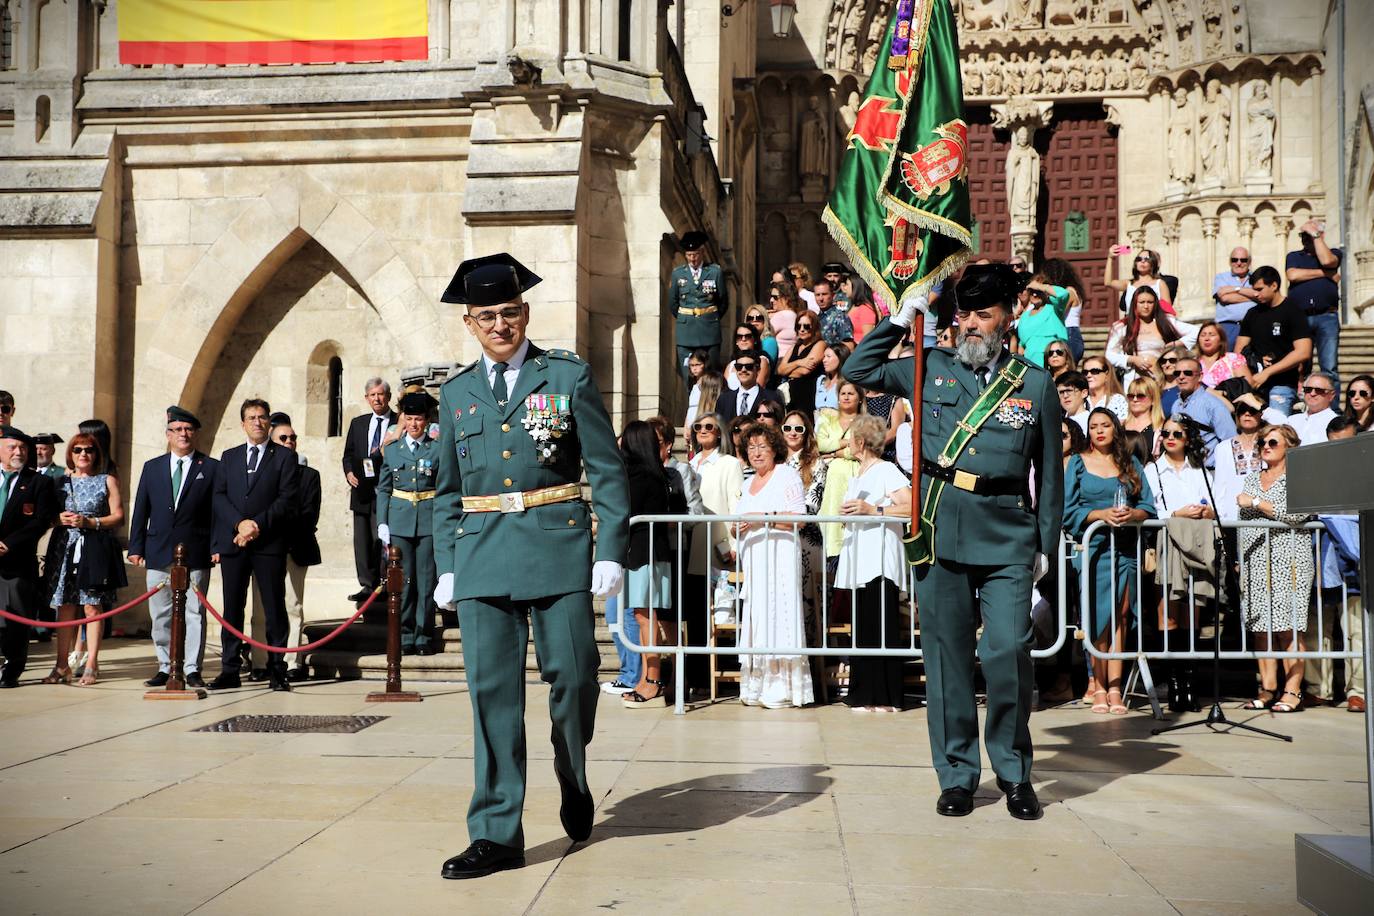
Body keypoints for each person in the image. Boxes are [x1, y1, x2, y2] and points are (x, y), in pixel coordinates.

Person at [431, 252, 628, 880]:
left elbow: (605, 468)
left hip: (556, 548)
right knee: (492, 699)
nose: (499, 325)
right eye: (486, 316)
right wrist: (447, 563)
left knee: (573, 678)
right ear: (470, 324)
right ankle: (496, 833)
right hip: (483, 553)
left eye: (509, 312)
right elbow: (445, 490)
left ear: (525, 314)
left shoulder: (565, 377)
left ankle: (572, 770)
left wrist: (612, 549)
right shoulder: (457, 393)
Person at [847, 263, 1063, 821]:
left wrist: (1045, 543)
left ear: (1006, 318)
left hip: (1009, 532)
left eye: (982, 315)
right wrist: (900, 318)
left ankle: (1013, 771)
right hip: (942, 528)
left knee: (1008, 650)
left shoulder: (1034, 384)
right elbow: (860, 368)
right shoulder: (928, 367)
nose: (969, 325)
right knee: (945, 658)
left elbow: (1051, 475)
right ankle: (957, 774)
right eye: (963, 314)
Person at [1064, 408, 1156, 717]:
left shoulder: (1129, 463)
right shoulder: (1077, 463)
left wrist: (1134, 515)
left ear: (1115, 429)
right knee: (1096, 619)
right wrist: (1100, 515)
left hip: (1125, 550)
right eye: (1093, 426)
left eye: (1105, 425)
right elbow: (1068, 510)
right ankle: (1098, 686)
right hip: (1092, 551)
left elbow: (1148, 505)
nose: (1099, 430)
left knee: (1120, 618)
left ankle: (1115, 687)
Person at [209, 398, 301, 692]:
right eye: (252, 417)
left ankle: (277, 668)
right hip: (234, 543)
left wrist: (256, 525)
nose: (257, 422)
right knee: (232, 608)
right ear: (243, 423)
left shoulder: (284, 458)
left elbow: (286, 500)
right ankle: (230, 669)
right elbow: (219, 497)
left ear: (269, 422)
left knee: (274, 608)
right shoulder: (229, 457)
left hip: (268, 543)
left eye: (262, 417)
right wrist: (239, 525)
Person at [127, 407, 219, 690]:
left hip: (196, 550)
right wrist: (136, 545)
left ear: (195, 434)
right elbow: (141, 508)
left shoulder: (211, 467)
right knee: (161, 613)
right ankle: (165, 666)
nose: (183, 434)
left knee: (194, 613)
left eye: (188, 429)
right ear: (168, 435)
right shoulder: (152, 467)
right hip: (158, 550)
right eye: (177, 429)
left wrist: (216, 546)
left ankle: (191, 668)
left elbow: (218, 511)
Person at [733, 423, 813, 709]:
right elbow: (741, 521)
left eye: (762, 447)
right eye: (751, 447)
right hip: (755, 558)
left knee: (780, 614)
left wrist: (762, 518)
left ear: (774, 449)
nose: (756, 453)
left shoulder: (786, 475)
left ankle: (782, 685)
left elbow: (799, 519)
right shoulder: (746, 483)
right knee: (759, 617)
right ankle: (757, 682)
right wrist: (738, 527)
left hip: (780, 555)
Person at [835, 414, 912, 713]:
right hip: (859, 559)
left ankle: (886, 696)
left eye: (850, 437)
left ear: (861, 442)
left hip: (880, 559)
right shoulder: (858, 474)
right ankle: (864, 694)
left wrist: (873, 509)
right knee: (864, 627)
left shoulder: (886, 470)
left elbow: (908, 506)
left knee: (882, 626)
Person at [1237, 424, 1313, 713]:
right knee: (1262, 628)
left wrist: (1257, 502)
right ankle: (1267, 688)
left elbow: (1297, 513)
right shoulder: (1253, 479)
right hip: (1256, 559)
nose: (1265, 447)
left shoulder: (1299, 478)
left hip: (1290, 559)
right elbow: (1243, 517)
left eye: (1272, 442)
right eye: (1261, 443)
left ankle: (1292, 690)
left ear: (1289, 448)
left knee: (1288, 628)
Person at [1143, 416, 1215, 711]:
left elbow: (1216, 504)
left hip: (1197, 544)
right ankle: (1174, 685)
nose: (1171, 437)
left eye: (1178, 433)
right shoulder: (1153, 469)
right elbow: (1151, 507)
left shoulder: (1200, 470)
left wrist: (1206, 512)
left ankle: (1190, 684)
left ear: (1188, 438)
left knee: (1192, 615)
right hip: (1168, 542)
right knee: (1168, 614)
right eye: (1167, 433)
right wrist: (1178, 512)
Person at [46, 433, 126, 687]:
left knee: (92, 606)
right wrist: (59, 520)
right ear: (70, 453)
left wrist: (92, 522)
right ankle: (62, 666)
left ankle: (91, 663)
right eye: (78, 449)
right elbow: (46, 516)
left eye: (89, 450)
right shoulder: (59, 482)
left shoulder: (107, 480)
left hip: (93, 546)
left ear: (96, 454)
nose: (83, 454)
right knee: (65, 606)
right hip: (64, 546)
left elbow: (119, 516)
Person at [247, 418, 320, 681]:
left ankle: (290, 661)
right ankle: (260, 662)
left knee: (292, 605)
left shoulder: (309, 476)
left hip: (294, 547)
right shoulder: (260, 471)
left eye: (293, 438)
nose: (290, 442)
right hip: (264, 548)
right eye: (283, 438)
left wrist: (273, 525)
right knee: (260, 609)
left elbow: (308, 514)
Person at [376, 391, 442, 657]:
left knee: (426, 582)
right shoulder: (392, 451)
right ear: (404, 420)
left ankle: (424, 634)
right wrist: (383, 521)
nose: (414, 424)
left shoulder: (436, 449)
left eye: (419, 419)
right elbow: (384, 489)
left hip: (428, 520)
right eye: (410, 419)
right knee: (404, 582)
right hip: (400, 521)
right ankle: (404, 634)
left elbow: (445, 486)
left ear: (426, 421)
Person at [618, 421, 679, 708]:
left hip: (647, 553)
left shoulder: (641, 476)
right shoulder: (651, 474)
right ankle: (647, 677)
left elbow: (625, 510)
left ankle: (652, 679)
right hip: (647, 551)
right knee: (643, 615)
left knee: (646, 616)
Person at [1307, 428, 1365, 712]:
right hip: (1323, 560)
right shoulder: (1317, 475)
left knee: (1357, 630)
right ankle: (1319, 689)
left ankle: (1359, 691)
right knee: (1319, 628)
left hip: (1358, 563)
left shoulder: (1367, 476)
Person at [687, 413, 744, 690]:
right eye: (698, 427)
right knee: (697, 615)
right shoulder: (691, 464)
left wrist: (734, 546)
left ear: (719, 432)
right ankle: (698, 677)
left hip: (717, 548)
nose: (703, 431)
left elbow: (736, 505)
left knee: (723, 612)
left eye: (709, 426)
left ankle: (726, 672)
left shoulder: (729, 464)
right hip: (691, 548)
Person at [0, 426, 57, 687]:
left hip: (17, 562)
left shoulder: (39, 482)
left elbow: (40, 521)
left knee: (17, 622)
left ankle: (12, 670)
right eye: (12, 447)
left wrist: (9, 544)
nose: (18, 452)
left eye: (23, 448)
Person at [342, 378, 396, 606]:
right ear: (366, 398)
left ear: (388, 397)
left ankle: (384, 583)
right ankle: (366, 584)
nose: (377, 398)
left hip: (387, 490)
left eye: (381, 394)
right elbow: (348, 454)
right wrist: (348, 472)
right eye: (372, 395)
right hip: (362, 491)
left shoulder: (397, 423)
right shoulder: (358, 423)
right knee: (362, 540)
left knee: (382, 539)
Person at [1235, 265, 1313, 415]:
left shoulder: (1293, 311)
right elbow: (1239, 351)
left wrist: (1268, 372)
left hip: (1282, 384)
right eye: (1254, 290)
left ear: (1274, 285)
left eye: (1260, 289)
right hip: (1253, 384)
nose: (1255, 294)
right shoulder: (1252, 314)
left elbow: (1303, 352)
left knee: (1276, 429)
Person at [1106, 286, 1198, 386]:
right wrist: (1132, 359)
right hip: (1135, 381)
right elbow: (1109, 355)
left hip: (1162, 380)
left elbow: (1197, 332)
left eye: (1150, 302)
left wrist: (1176, 344)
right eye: (1142, 302)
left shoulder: (1165, 322)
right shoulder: (1122, 327)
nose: (1146, 306)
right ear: (1135, 304)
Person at [669, 231, 728, 386]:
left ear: (702, 252)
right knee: (689, 377)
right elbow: (673, 303)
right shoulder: (678, 274)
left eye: (695, 254)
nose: (692, 259)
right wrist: (687, 318)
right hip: (686, 332)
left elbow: (723, 302)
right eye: (689, 255)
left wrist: (709, 317)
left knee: (711, 376)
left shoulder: (715, 271)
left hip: (709, 330)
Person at [1285, 220, 1342, 376]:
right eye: (1303, 235)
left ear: (1320, 235)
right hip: (1300, 317)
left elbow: (1327, 261)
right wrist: (1326, 274)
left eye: (1308, 235)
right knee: (1300, 365)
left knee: (1329, 367)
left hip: (1327, 316)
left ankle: (1331, 400)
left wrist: (1315, 235)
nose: (1305, 238)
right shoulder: (1294, 256)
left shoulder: (1335, 253)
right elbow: (1293, 275)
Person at [1169, 356, 1236, 465]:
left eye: (1188, 373)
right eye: (1177, 373)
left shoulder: (1213, 405)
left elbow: (1231, 443)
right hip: (1184, 470)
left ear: (1200, 377)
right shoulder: (1176, 405)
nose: (1181, 377)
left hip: (1210, 471)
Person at [1213, 393, 1267, 522]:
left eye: (1253, 410)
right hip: (1232, 517)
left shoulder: (1270, 444)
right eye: (1242, 410)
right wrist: (1220, 517)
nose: (1247, 414)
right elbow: (1220, 485)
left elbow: (1285, 425)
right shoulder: (1223, 447)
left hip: (1264, 515)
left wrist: (1259, 405)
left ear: (1261, 414)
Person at [1015, 274, 1073, 367]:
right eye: (1031, 291)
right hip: (1030, 364)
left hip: (1053, 362)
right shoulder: (1025, 316)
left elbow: (1063, 294)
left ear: (1046, 292)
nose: (1034, 294)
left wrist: (1040, 286)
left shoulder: (1054, 308)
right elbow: (1022, 345)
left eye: (1038, 291)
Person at [776, 312, 827, 414]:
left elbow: (804, 371)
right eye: (798, 326)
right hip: (791, 396)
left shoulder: (820, 344)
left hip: (808, 394)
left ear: (814, 328)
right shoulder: (794, 346)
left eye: (806, 326)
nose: (802, 329)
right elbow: (780, 370)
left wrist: (788, 369)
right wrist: (799, 362)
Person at [717, 352, 784, 425]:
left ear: (758, 369)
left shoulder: (772, 397)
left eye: (749, 366)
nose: (743, 370)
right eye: (739, 366)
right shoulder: (724, 399)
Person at [1041, 258, 1088, 361]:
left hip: (1069, 334)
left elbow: (1058, 311)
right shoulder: (1072, 290)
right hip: (1070, 334)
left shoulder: (1068, 292)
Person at [1212, 246, 1259, 346]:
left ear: (1249, 262)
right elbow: (1224, 297)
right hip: (1227, 327)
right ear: (1230, 262)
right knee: (1226, 359)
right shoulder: (1221, 277)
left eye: (1243, 260)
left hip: (1253, 326)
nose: (1238, 263)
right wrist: (1252, 297)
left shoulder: (1256, 278)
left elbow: (1260, 295)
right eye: (1234, 260)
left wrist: (1235, 289)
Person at [1105, 245, 1167, 314]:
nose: (1142, 261)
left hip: (1153, 323)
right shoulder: (1129, 283)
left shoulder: (1160, 284)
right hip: (1131, 323)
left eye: (1146, 259)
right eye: (1139, 259)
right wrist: (1110, 257)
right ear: (1135, 263)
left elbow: (1167, 311)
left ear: (1153, 263)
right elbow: (1108, 282)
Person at [1196, 320, 1252, 394]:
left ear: (1221, 340)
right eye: (1203, 335)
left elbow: (1247, 385)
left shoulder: (1233, 359)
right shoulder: (1193, 364)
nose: (1207, 338)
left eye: (1212, 335)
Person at [1288, 369, 1339, 446]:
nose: (1312, 393)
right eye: (1308, 389)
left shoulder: (1336, 423)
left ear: (1331, 395)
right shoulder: (1291, 420)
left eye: (1319, 390)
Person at [1123, 376, 1164, 455]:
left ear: (1153, 400)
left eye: (1140, 396)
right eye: (1131, 396)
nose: (1135, 400)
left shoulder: (1160, 429)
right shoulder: (1119, 427)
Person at [724, 325, 773, 391]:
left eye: (748, 336)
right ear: (736, 342)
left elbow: (759, 388)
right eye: (739, 337)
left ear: (755, 340)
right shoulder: (731, 365)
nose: (743, 339)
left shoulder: (762, 361)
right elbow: (724, 390)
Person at [1082, 355, 1128, 420]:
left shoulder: (1118, 401)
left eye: (1095, 371)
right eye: (1085, 372)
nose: (1088, 375)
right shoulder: (1079, 400)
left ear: (1106, 374)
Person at [814, 279, 855, 352]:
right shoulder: (816, 318)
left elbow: (849, 346)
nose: (821, 298)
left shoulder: (840, 317)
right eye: (817, 295)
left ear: (833, 295)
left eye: (824, 294)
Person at [846, 275, 883, 343]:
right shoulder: (854, 306)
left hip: (859, 349)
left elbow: (867, 337)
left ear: (856, 287)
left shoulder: (865, 309)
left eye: (847, 284)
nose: (845, 288)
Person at [815, 345, 849, 411]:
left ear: (840, 358)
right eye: (824, 357)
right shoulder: (821, 381)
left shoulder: (847, 384)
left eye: (828, 356)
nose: (824, 360)